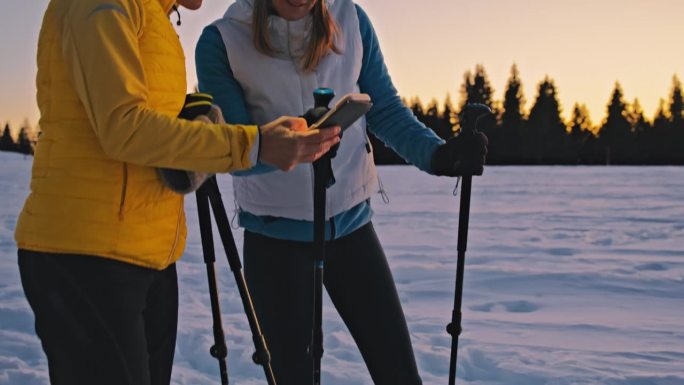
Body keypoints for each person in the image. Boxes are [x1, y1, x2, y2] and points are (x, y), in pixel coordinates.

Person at [14, 0, 342, 384]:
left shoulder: (155, 15)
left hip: (145, 251)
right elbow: (123, 127)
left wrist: (193, 122)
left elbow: (137, 117)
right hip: (86, 254)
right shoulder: (104, 4)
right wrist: (252, 145)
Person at [196, 0, 488, 384]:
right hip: (274, 239)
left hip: (352, 230)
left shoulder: (350, 19)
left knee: (398, 373)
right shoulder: (222, 40)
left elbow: (383, 109)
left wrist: (439, 156)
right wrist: (294, 146)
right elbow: (234, 145)